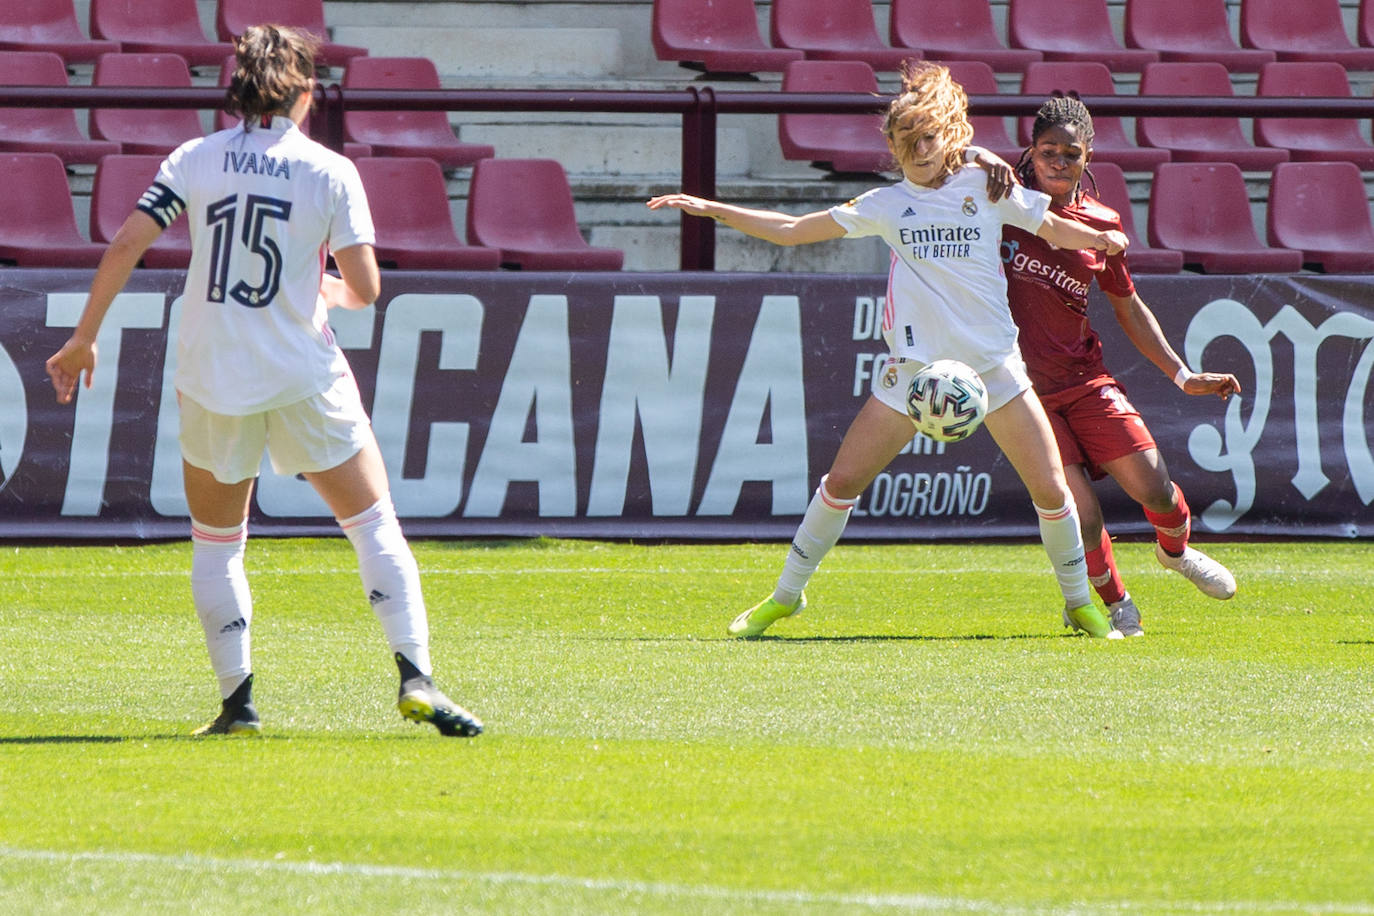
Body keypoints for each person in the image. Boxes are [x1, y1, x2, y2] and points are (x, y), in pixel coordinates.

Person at [45, 24, 482, 737]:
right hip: (302, 372)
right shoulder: (329, 170)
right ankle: (416, 675)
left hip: (213, 372)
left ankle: (237, 705)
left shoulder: (197, 157)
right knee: (373, 526)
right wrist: (324, 290)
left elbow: (128, 240)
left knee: (219, 543)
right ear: (306, 91)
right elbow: (367, 287)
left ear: (237, 93)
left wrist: (84, 337)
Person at [648, 61, 1132, 640]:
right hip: (913, 376)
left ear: (949, 134)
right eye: (907, 143)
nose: (920, 151)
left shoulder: (986, 185)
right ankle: (784, 596)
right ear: (893, 149)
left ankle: (1080, 603)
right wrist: (713, 209)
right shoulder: (884, 205)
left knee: (1052, 492)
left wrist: (1100, 238)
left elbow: (1052, 227)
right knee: (841, 483)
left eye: (929, 138)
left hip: (995, 368)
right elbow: (791, 231)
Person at [998, 94, 1239, 637]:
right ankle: (1116, 603)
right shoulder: (1003, 209)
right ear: (1030, 153)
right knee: (1079, 516)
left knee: (1155, 487)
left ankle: (1175, 554)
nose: (1058, 162)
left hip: (1084, 380)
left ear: (1088, 157)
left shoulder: (1102, 223)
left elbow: (1126, 305)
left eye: (1070, 153)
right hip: (1020, 391)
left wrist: (1182, 373)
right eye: (1047, 151)